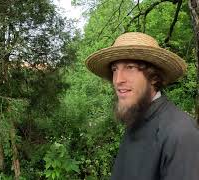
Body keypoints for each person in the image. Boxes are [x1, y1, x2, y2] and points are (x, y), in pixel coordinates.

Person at [85, 32, 199, 180]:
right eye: (115, 69)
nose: (118, 80)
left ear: (154, 77)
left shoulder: (181, 133)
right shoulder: (137, 118)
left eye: (130, 67)